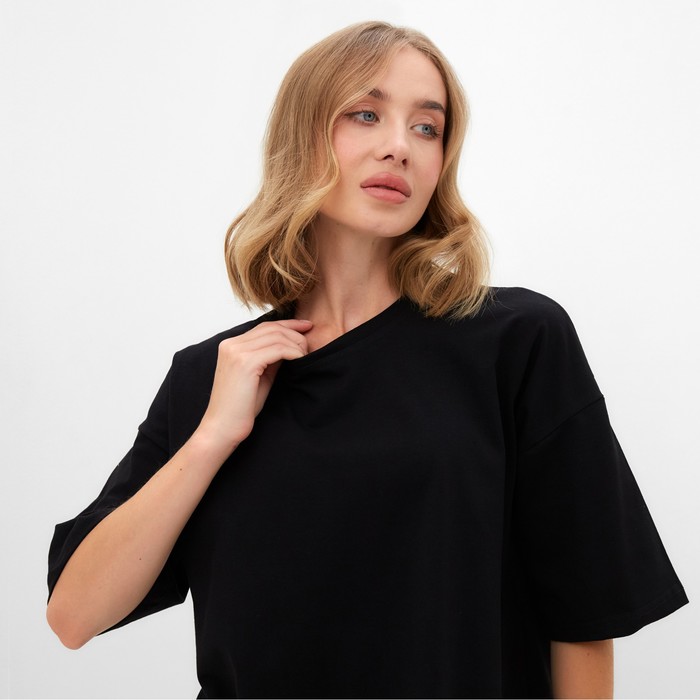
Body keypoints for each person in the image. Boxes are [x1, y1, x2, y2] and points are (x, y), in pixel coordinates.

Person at [46, 20, 688, 699]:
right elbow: (73, 615)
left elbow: (584, 616)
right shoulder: (215, 375)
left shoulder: (517, 341)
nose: (399, 147)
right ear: (302, 137)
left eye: (427, 128)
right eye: (365, 114)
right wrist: (212, 438)